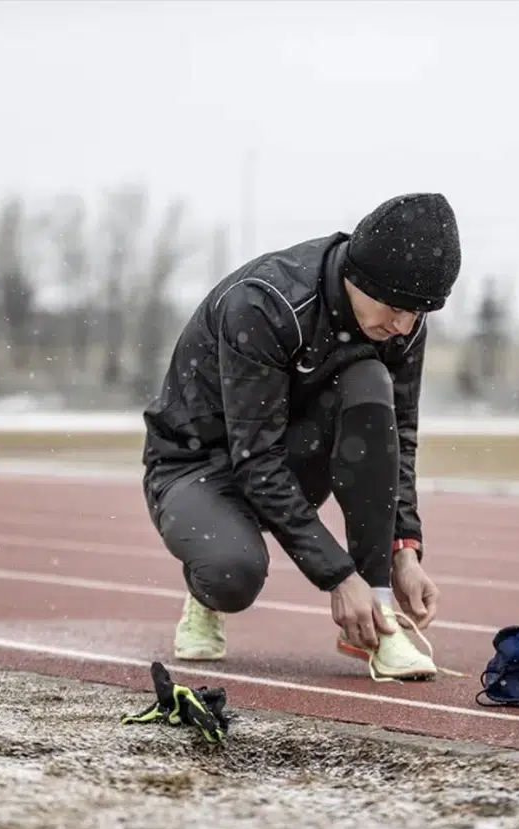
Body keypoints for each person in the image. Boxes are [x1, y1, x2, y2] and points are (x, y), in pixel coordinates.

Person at [140, 192, 461, 681]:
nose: (403, 326)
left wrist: (404, 552)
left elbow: (401, 437)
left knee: (371, 383)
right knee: (232, 573)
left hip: (295, 453)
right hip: (197, 465)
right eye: (396, 307)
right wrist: (337, 576)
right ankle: (205, 595)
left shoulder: (401, 323)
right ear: (358, 278)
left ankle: (377, 612)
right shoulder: (265, 304)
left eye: (420, 313)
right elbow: (255, 459)